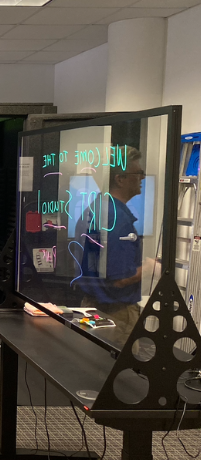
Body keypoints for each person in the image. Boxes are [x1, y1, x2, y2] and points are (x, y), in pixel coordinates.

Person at [78, 147, 146, 343]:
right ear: (120, 179)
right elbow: (119, 279)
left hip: (92, 306)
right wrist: (151, 268)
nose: (142, 176)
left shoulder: (97, 208)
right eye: (138, 172)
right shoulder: (118, 220)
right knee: (117, 371)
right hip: (116, 315)